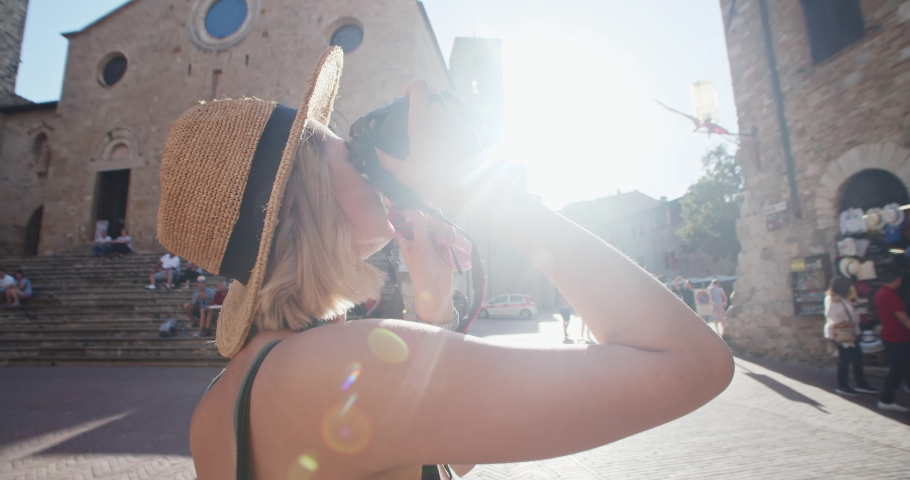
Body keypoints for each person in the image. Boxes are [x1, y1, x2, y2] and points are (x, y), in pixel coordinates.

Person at [162, 49, 731, 480]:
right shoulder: (339, 365)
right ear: (303, 195)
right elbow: (691, 362)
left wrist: (431, 301)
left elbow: (447, 452)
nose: (362, 158)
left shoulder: (217, 404)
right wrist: (486, 194)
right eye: (340, 146)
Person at [824, 277, 877, 396]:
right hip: (842, 333)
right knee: (845, 360)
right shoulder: (834, 298)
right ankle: (843, 385)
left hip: (851, 333)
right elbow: (831, 315)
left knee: (857, 358)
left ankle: (861, 384)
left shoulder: (842, 298)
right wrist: (846, 322)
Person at [874, 270, 910, 412]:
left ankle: (886, 399)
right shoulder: (890, 295)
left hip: (890, 336)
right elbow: (902, 318)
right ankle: (886, 400)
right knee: (904, 368)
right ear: (897, 280)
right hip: (898, 337)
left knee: (897, 370)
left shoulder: (879, 293)